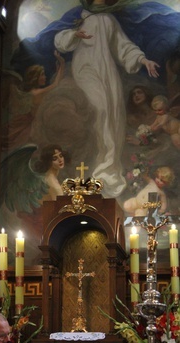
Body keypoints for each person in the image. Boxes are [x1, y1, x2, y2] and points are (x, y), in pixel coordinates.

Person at [52, 0, 160, 198]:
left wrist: (143, 59)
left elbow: (123, 46)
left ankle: (107, 170)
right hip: (86, 69)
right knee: (100, 110)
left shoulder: (109, 19)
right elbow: (59, 39)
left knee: (114, 117)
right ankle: (101, 167)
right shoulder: (81, 16)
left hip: (108, 72)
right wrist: (74, 35)